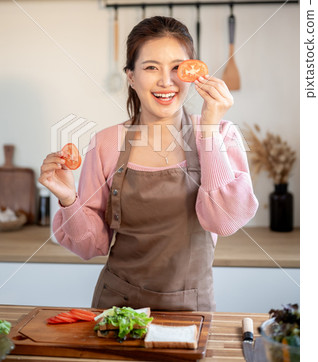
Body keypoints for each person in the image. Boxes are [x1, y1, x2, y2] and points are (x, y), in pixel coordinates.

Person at [39, 16, 258, 312]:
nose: (166, 81)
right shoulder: (104, 144)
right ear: (131, 76)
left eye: (177, 68)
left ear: (194, 73)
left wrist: (207, 127)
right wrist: (68, 199)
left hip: (192, 307)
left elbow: (223, 221)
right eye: (151, 67)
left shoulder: (222, 133)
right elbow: (91, 247)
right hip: (117, 307)